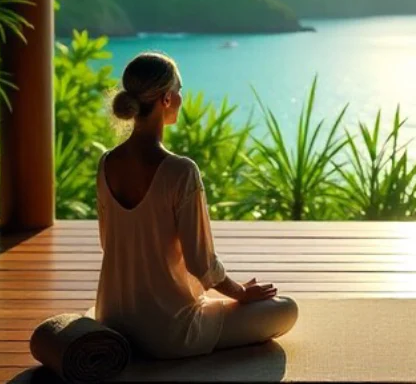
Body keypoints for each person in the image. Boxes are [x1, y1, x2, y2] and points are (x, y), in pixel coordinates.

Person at [94, 51, 297, 359]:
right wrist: (241, 293)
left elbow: (106, 242)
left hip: (112, 322)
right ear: (165, 99)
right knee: (286, 309)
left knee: (219, 305)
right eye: (179, 90)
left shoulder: (106, 163)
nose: (181, 97)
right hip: (168, 333)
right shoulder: (180, 171)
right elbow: (200, 264)